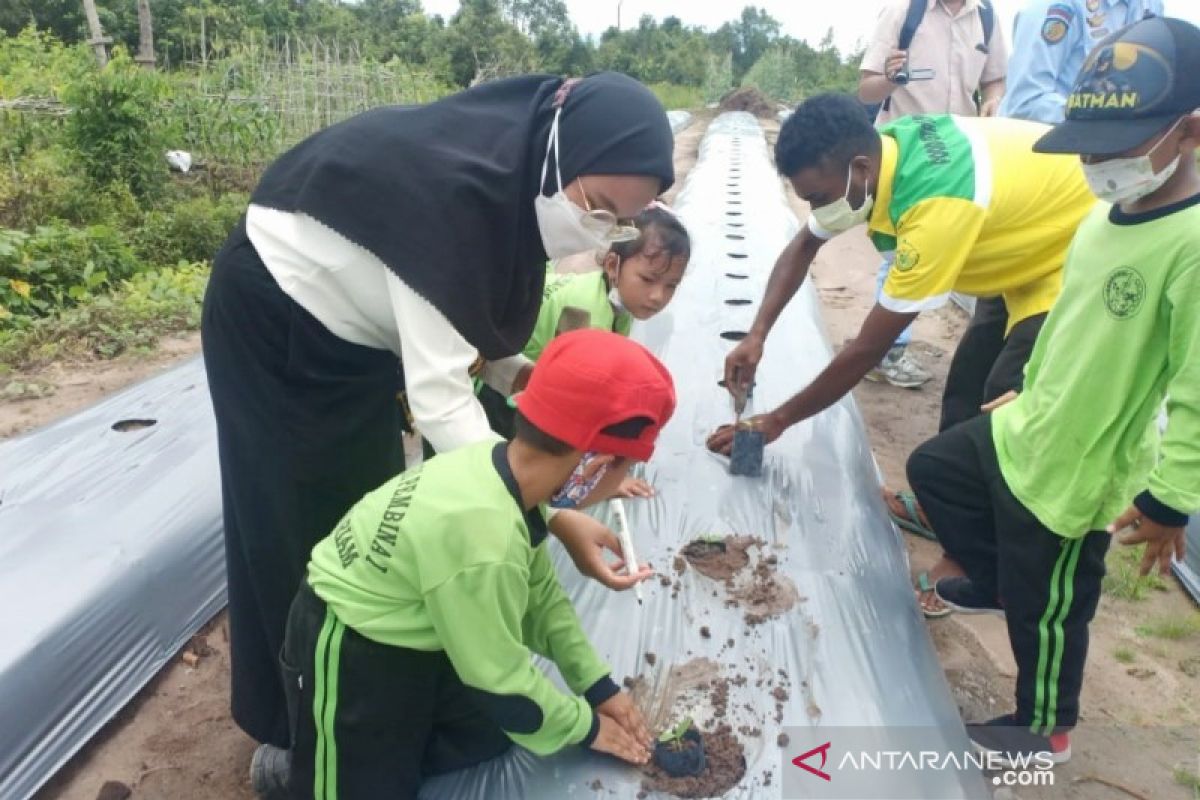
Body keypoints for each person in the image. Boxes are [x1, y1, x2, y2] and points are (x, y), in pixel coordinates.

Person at [201, 72, 675, 762]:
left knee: (373, 514)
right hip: (281, 325)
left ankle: (370, 686)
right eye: (598, 207)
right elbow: (443, 404)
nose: (601, 230)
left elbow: (470, 348)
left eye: (619, 222)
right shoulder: (453, 204)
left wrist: (529, 386)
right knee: (297, 531)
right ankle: (298, 733)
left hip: (360, 340)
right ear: (555, 154)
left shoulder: (509, 188)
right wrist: (555, 514)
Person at [907, 16, 1200, 764]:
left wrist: (1171, 500)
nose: (1097, 161)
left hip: (1085, 459)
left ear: (1189, 133)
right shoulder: (1105, 215)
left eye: (1117, 146)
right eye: (1089, 145)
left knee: (1050, 606)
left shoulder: (1191, 244)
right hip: (1033, 418)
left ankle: (1045, 729)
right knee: (934, 470)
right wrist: (1029, 383)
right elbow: (1065, 320)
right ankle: (998, 579)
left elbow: (1199, 384)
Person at [280, 329, 675, 798]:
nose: (622, 483)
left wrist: (596, 685)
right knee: (360, 785)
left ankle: (386, 754)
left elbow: (541, 599)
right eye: (626, 469)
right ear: (593, 465)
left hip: (418, 624)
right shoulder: (484, 534)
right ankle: (298, 766)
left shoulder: (503, 475)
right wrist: (588, 728)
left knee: (484, 734)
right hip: (349, 641)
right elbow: (504, 688)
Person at [709, 94, 1095, 484]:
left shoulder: (934, 208)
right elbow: (804, 244)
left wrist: (778, 420)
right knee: (967, 383)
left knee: (1007, 399)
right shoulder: (885, 151)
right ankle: (949, 498)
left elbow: (868, 350)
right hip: (1023, 243)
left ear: (860, 169)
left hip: (1075, 253)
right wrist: (756, 335)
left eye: (819, 199)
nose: (817, 212)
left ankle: (993, 529)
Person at [857, 0, 1009, 388]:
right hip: (905, 156)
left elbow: (995, 79)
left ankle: (889, 347)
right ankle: (886, 352)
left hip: (958, 156)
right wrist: (891, 78)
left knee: (953, 249)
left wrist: (993, 100)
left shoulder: (986, 17)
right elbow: (867, 89)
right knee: (900, 253)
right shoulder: (903, 13)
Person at [478, 203, 690, 460]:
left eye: (671, 285)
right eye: (647, 279)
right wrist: (607, 472)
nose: (658, 296)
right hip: (498, 386)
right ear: (612, 265)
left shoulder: (612, 298)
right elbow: (572, 404)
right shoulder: (586, 316)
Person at [1000, 0, 1163, 125]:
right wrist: (1097, 114)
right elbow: (1023, 103)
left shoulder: (1149, 4)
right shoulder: (1057, 6)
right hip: (1057, 151)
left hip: (1120, 146)